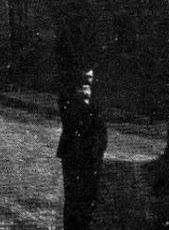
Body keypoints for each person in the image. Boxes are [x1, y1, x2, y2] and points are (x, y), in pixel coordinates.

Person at [57, 69, 108, 230]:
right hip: (73, 154)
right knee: (73, 198)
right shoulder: (68, 97)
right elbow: (69, 122)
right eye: (85, 78)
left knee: (91, 197)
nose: (88, 82)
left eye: (90, 78)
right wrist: (82, 102)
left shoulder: (97, 98)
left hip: (93, 155)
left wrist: (99, 149)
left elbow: (101, 127)